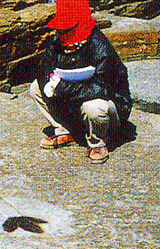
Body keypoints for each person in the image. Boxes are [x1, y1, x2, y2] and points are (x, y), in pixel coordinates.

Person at [29, 0, 132, 164]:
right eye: (60, 29)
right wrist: (49, 85)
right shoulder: (56, 42)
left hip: (110, 109)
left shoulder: (101, 48)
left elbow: (102, 89)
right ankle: (66, 130)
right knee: (35, 88)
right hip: (76, 104)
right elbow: (43, 70)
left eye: (66, 29)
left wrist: (63, 87)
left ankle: (98, 142)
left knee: (94, 106)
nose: (61, 34)